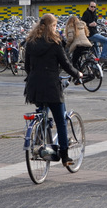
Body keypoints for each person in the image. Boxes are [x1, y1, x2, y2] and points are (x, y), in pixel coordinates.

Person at [24, 14, 83, 165]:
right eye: (55, 26)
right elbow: (66, 65)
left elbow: (27, 67)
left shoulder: (30, 42)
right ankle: (64, 155)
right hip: (51, 86)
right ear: (52, 26)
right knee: (61, 121)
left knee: (41, 112)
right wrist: (78, 73)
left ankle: (40, 139)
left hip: (35, 86)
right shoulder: (55, 43)